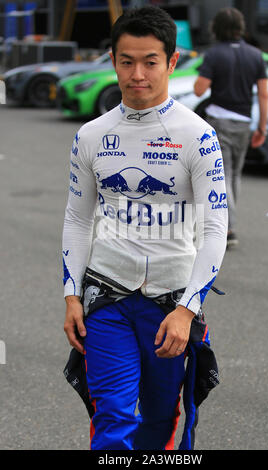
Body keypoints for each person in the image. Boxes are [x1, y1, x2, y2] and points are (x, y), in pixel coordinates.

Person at [62, 5, 227, 451]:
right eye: (127, 61)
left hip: (171, 305)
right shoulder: (92, 135)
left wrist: (187, 309)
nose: (138, 73)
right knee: (112, 415)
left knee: (159, 420)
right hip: (106, 297)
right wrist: (71, 294)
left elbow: (215, 229)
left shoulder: (199, 135)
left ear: (171, 62)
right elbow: (78, 220)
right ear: (112, 60)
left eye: (150, 61)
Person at [194, 7, 268, 247]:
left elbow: (198, 89)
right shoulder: (256, 55)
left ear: (216, 28)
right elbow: (264, 95)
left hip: (219, 121)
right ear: (240, 27)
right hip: (245, 122)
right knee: (235, 174)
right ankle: (229, 225)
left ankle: (227, 229)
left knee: (222, 175)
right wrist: (262, 128)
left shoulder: (214, 55)